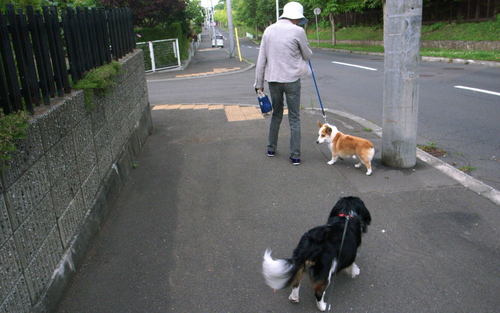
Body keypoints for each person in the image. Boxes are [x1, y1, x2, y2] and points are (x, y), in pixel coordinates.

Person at [254, 1, 313, 166]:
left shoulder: (268, 30)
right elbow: (307, 55)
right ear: (296, 17)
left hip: (273, 80)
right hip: (292, 80)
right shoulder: (298, 31)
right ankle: (295, 156)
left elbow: (261, 60)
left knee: (276, 114)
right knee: (294, 117)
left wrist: (259, 84)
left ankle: (271, 149)